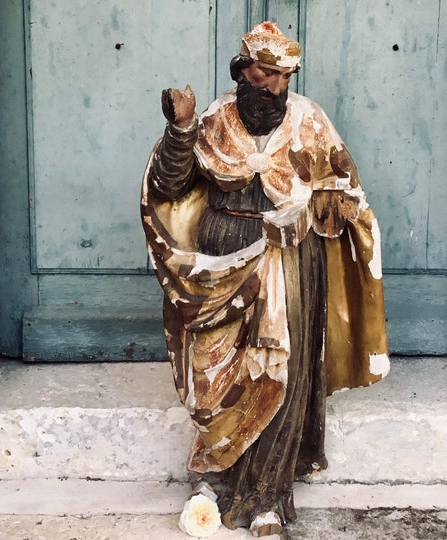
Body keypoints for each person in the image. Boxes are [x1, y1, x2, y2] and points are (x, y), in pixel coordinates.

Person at [141, 21, 390, 537]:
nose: (272, 85)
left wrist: (312, 207)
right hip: (221, 262)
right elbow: (169, 184)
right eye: (262, 73)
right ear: (241, 71)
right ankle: (212, 477)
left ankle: (268, 496)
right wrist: (181, 128)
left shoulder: (309, 122)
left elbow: (345, 191)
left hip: (291, 263)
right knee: (214, 375)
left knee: (279, 372)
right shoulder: (214, 120)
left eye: (281, 76)